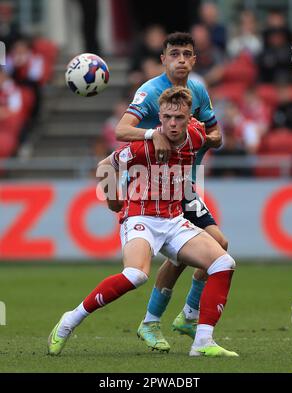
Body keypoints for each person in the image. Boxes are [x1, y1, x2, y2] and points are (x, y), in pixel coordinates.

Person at [47, 86, 238, 357]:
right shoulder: (144, 145)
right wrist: (113, 200)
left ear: (188, 118)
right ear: (159, 117)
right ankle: (70, 320)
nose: (173, 124)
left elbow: (215, 137)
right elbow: (105, 165)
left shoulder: (196, 135)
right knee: (136, 275)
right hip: (140, 218)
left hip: (173, 219)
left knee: (223, 262)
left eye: (179, 118)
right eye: (167, 118)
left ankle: (202, 342)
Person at [115, 32, 227, 352]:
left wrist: (213, 138)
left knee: (219, 245)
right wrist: (153, 134)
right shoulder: (149, 91)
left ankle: (185, 316)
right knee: (195, 250)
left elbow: (214, 129)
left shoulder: (199, 90)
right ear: (163, 59)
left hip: (184, 184)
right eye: (173, 53)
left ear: (194, 59)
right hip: (153, 188)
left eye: (186, 53)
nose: (180, 59)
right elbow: (121, 130)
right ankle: (156, 320)